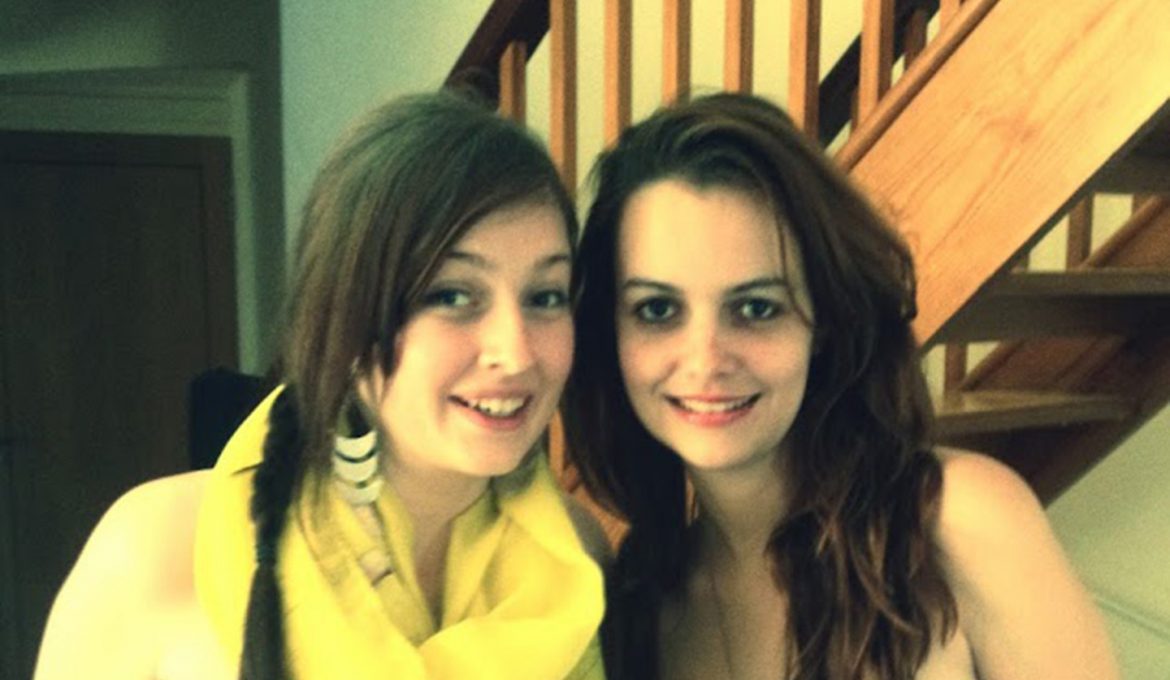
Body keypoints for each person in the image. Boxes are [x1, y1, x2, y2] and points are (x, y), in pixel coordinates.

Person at [35, 91, 609, 680]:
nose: (516, 352)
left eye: (545, 296)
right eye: (452, 295)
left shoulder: (577, 556)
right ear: (344, 311)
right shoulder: (157, 549)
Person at [562, 92, 1118, 680]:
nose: (705, 360)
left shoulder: (959, 520)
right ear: (609, 334)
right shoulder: (639, 606)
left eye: (756, 307)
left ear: (824, 322)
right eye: (656, 310)